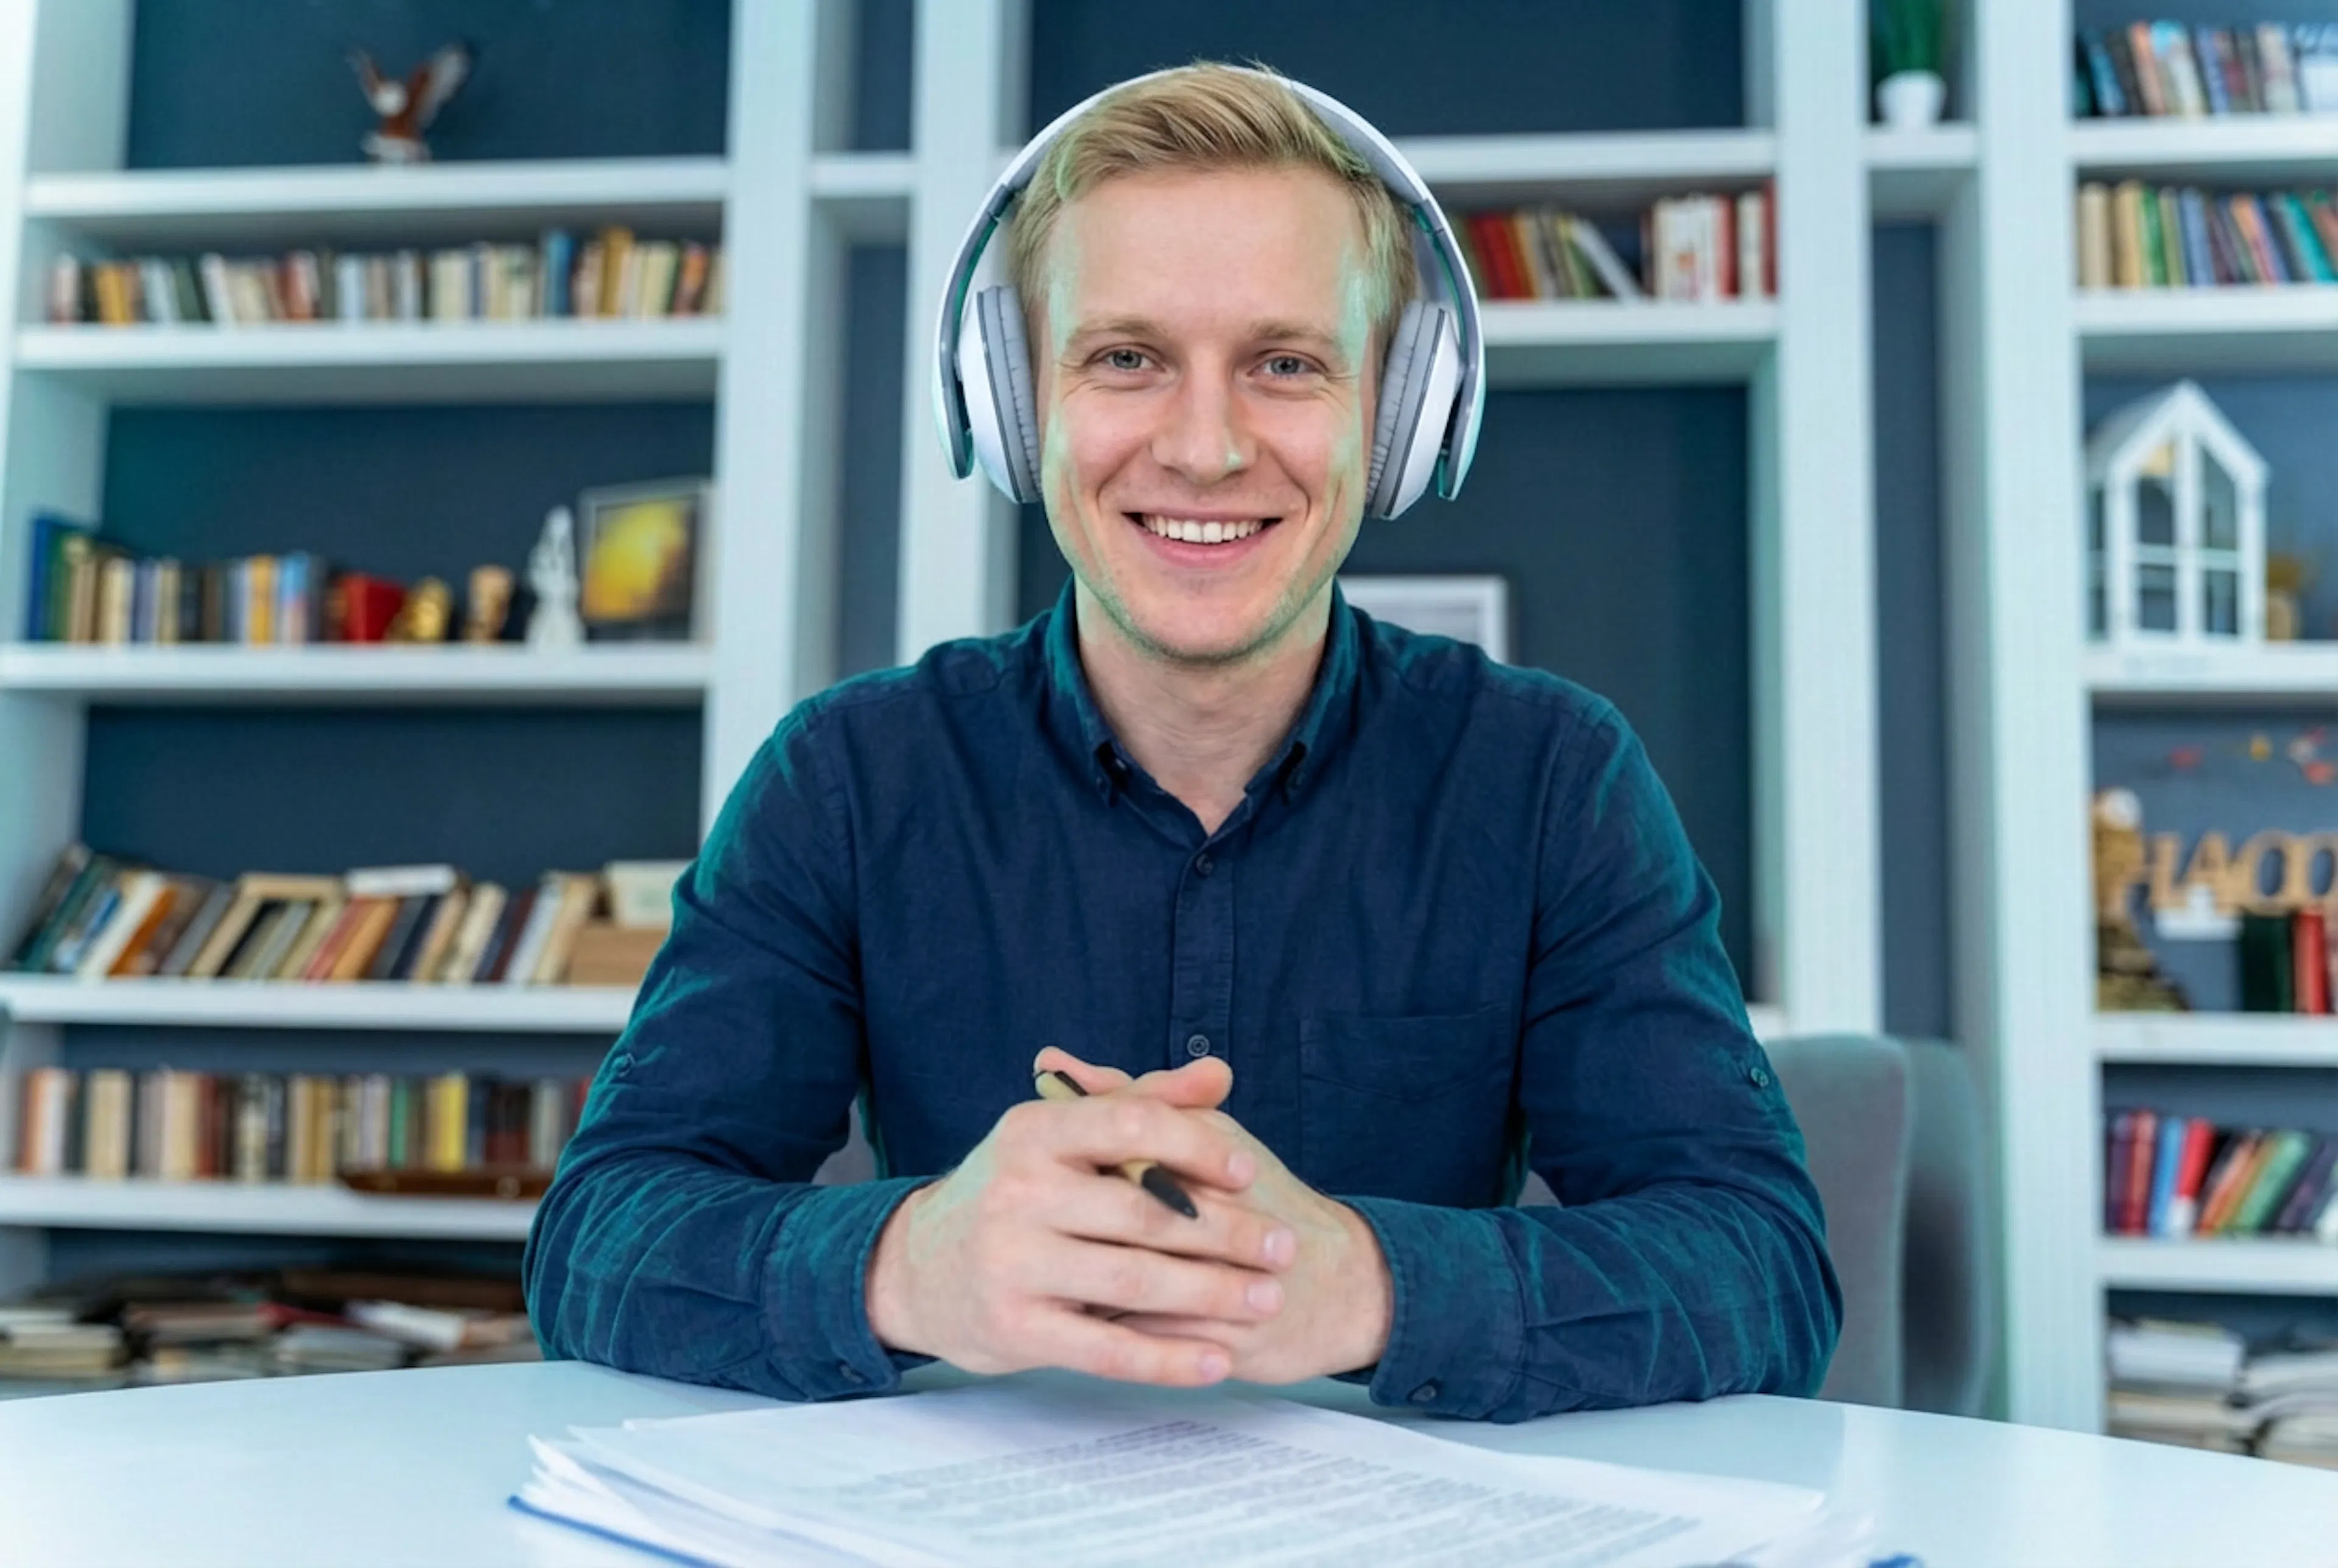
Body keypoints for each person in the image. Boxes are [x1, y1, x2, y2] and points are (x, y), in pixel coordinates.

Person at [525, 63, 1839, 1423]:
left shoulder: (1554, 779)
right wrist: (913, 1262)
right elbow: (598, 1236)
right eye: (1126, 357)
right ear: (1014, 399)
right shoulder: (848, 778)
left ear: (1397, 417)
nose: (1206, 449)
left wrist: (1358, 1281)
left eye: (1284, 364)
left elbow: (1766, 1269)